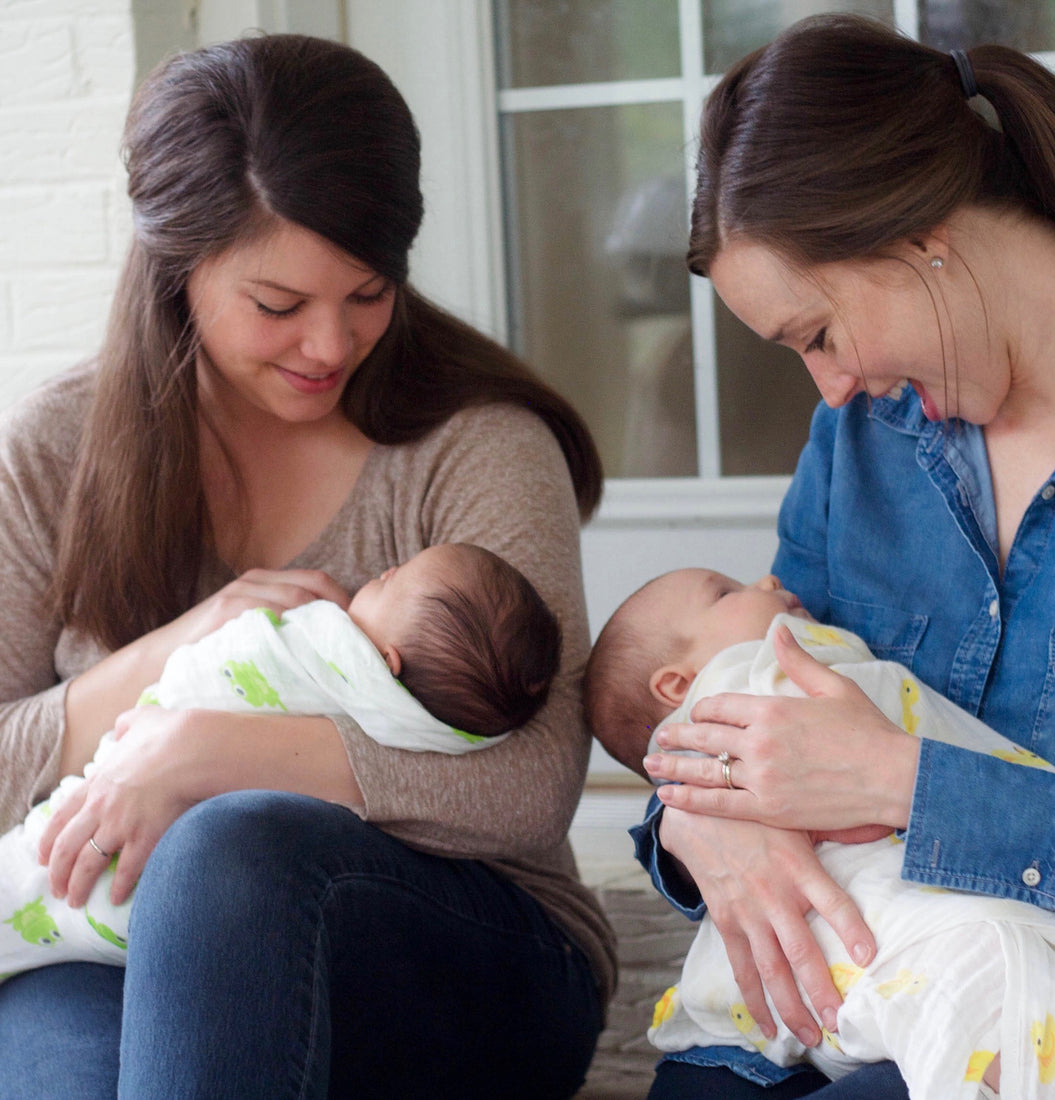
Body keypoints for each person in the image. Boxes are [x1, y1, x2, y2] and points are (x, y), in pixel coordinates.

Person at [0, 33, 615, 1099]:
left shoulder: (474, 446)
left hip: (456, 947)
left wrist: (215, 751)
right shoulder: (58, 448)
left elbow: (532, 781)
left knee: (228, 845)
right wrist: (174, 651)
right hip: (106, 938)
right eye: (278, 306)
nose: (329, 344)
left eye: (368, 292)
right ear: (175, 270)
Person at [628, 12, 1055, 1099]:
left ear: (917, 237)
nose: (828, 388)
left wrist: (907, 782)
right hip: (835, 1002)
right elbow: (742, 674)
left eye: (817, 334)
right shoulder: (863, 446)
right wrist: (701, 824)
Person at [586, 567, 1055, 1099]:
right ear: (678, 685)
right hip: (818, 973)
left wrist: (898, 778)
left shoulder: (765, 667)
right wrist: (688, 815)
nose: (766, 579)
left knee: (971, 990)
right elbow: (686, 757)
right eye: (727, 592)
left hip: (831, 995)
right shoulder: (747, 673)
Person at [2, 541, 563, 979]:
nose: (381, 572)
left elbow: (538, 786)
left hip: (456, 929)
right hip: (141, 934)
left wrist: (198, 747)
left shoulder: (323, 644)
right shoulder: (46, 442)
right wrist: (174, 639)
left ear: (384, 662)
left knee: (60, 870)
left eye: (391, 579)